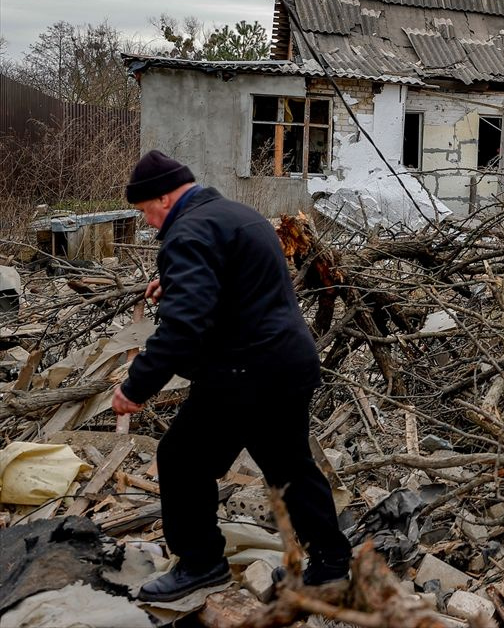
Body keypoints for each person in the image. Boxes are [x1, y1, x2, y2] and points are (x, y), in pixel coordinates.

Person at [112, 150, 352, 602]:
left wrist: (135, 387)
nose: (147, 223)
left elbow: (184, 327)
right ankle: (332, 565)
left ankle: (201, 565)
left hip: (245, 372)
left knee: (181, 458)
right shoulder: (236, 215)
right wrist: (175, 282)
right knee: (289, 465)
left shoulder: (188, 232)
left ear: (163, 198)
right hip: (286, 363)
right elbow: (245, 279)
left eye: (145, 211)